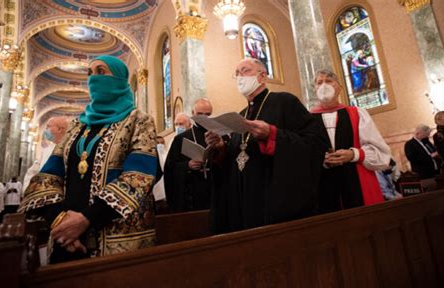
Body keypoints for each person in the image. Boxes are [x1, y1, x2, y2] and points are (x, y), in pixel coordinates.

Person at [18, 55, 158, 264]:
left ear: (119, 78)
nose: (93, 78)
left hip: (116, 239)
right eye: (90, 73)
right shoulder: (76, 126)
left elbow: (138, 177)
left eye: (101, 72)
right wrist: (61, 221)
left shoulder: (139, 121)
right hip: (67, 237)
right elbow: (47, 177)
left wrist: (86, 219)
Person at [205, 58, 327, 233]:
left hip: (274, 200)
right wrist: (221, 148)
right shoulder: (240, 115)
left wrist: (273, 135)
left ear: (262, 76)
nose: (240, 77)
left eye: (245, 71)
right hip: (243, 203)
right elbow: (237, 158)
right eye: (237, 73)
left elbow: (315, 143)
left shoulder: (285, 102)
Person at [311, 70, 391, 214]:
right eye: (319, 82)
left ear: (339, 88)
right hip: (322, 187)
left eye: (329, 81)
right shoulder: (306, 119)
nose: (324, 85)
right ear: (315, 89)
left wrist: (354, 154)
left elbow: (381, 154)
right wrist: (318, 159)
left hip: (358, 183)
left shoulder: (357, 113)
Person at [164, 98, 216, 212]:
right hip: (191, 194)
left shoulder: (217, 136)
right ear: (193, 114)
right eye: (200, 114)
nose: (203, 117)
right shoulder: (181, 139)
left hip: (214, 190)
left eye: (207, 114)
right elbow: (169, 168)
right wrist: (187, 165)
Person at [23, 116, 69, 193]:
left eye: (48, 126)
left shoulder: (69, 147)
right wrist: (28, 191)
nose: (45, 130)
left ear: (59, 129)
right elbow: (33, 172)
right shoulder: (46, 150)